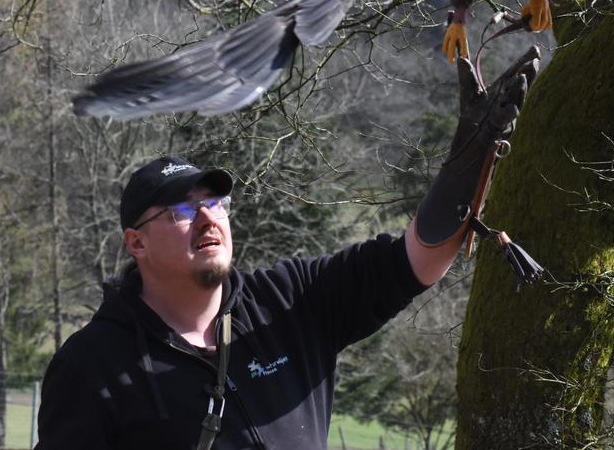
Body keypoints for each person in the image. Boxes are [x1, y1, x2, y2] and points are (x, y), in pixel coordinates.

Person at [35, 50, 540, 449]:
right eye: (181, 212)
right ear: (136, 242)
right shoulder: (92, 366)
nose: (208, 217)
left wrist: (470, 159)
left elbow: (418, 260)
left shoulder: (293, 301)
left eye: (215, 203)